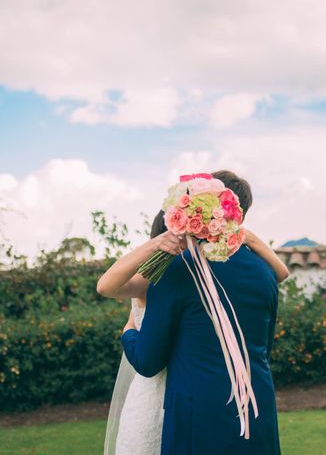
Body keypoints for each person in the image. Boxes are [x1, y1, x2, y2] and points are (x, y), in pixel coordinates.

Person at [98, 170, 288, 455]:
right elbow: (265, 345)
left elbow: (149, 361)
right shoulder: (266, 272)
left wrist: (128, 334)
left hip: (197, 418)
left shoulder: (177, 271)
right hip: (257, 409)